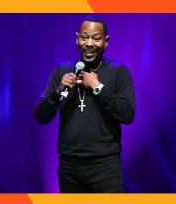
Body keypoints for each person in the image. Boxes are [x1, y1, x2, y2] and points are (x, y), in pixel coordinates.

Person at [34, 15, 135, 193]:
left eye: (96, 38)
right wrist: (57, 92)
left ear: (106, 41)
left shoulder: (118, 71)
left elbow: (127, 114)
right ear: (76, 38)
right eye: (84, 37)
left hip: (105, 166)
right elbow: (40, 116)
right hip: (69, 165)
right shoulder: (62, 70)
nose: (89, 43)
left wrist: (98, 87)